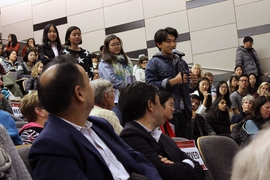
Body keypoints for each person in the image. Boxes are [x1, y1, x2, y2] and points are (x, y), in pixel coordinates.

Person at [28, 55, 162, 180]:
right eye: (89, 83)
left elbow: (138, 159)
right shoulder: (50, 146)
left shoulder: (100, 124)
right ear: (79, 93)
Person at [119, 82, 205, 180]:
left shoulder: (163, 137)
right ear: (150, 105)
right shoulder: (130, 137)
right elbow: (166, 174)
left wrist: (180, 166)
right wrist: (187, 165)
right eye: (159, 103)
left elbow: (199, 169)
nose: (161, 108)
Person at [145, 27, 198, 139]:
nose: (172, 44)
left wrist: (193, 83)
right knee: (172, 144)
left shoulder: (181, 62)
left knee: (186, 143)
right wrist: (172, 81)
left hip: (185, 110)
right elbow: (150, 86)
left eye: (174, 41)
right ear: (159, 44)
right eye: (168, 41)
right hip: (167, 112)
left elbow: (187, 89)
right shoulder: (153, 63)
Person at [98, 35, 136, 123]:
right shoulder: (104, 63)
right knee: (119, 123)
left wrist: (133, 88)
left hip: (128, 98)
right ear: (107, 47)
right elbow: (110, 80)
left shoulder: (127, 60)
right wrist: (126, 88)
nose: (116, 46)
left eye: (118, 44)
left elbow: (132, 76)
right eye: (113, 45)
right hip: (115, 99)